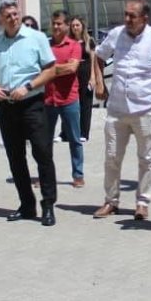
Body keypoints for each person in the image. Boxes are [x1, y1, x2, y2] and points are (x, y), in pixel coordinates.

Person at [93, 0, 151, 220]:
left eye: (132, 16)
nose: (127, 19)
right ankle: (111, 201)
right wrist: (99, 82)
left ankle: (142, 202)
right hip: (117, 108)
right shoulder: (117, 34)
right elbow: (98, 56)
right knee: (111, 156)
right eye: (125, 15)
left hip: (145, 107)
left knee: (146, 158)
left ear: (145, 18)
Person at [0, 0, 58, 226]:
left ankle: (48, 205)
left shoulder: (35, 38)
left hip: (32, 104)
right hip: (7, 107)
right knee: (16, 159)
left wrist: (28, 87)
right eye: (8, 15)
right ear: (0, 19)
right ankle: (27, 204)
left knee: (42, 154)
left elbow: (51, 69)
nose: (13, 18)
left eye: (16, 14)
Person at [46, 11, 85, 188]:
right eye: (54, 23)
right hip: (48, 99)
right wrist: (59, 68)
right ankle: (45, 174)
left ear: (67, 25)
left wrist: (51, 70)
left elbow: (72, 68)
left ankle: (78, 174)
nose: (56, 27)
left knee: (74, 139)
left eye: (59, 23)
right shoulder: (46, 45)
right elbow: (39, 68)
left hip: (69, 99)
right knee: (45, 141)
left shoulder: (74, 45)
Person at [69, 15, 97, 141]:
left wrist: (93, 77)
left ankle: (84, 133)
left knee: (85, 104)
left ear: (82, 26)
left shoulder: (88, 41)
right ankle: (67, 132)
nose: (75, 27)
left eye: (77, 25)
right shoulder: (68, 41)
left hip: (85, 71)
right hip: (72, 73)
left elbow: (93, 60)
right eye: (73, 25)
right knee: (70, 104)